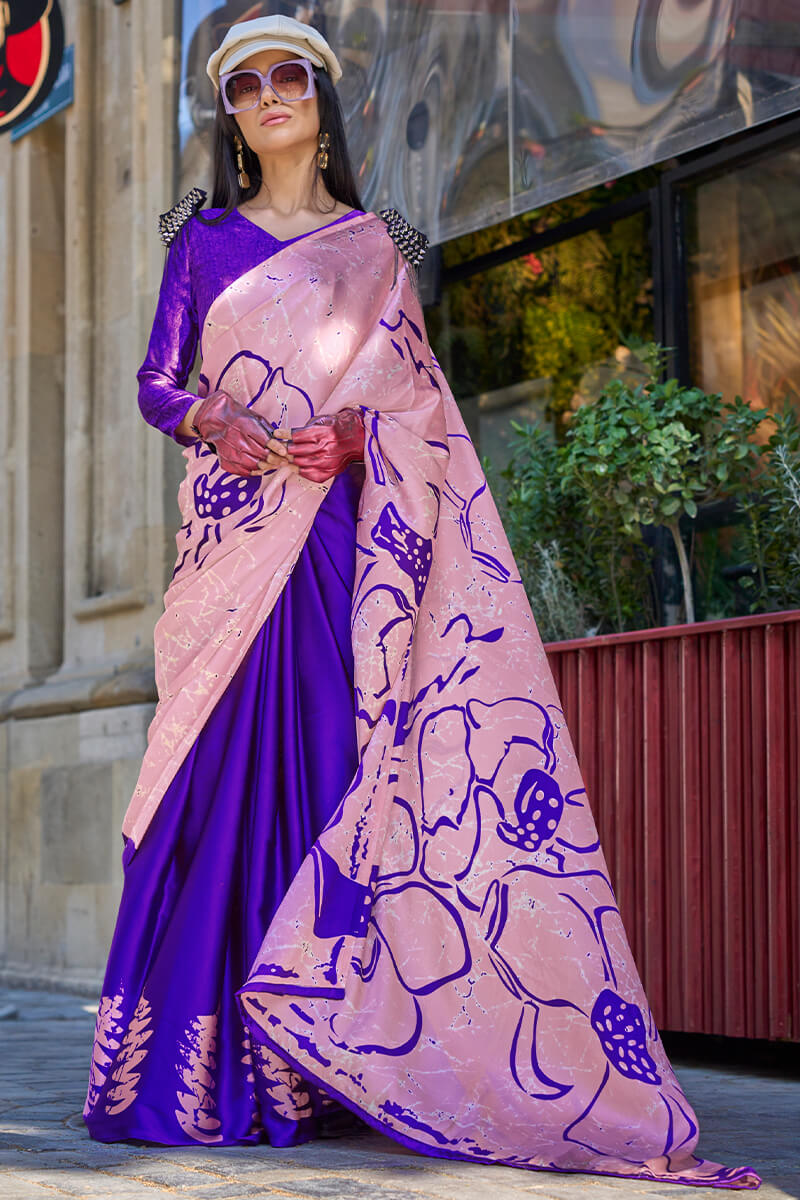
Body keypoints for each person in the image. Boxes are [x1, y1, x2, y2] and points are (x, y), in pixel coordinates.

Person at [83, 14, 760, 1188]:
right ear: (232, 118)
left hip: (342, 548)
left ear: (321, 98)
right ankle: (199, 1072)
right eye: (244, 85)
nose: (267, 95)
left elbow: (420, 402)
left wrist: (358, 432)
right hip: (238, 550)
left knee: (338, 774)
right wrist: (216, 421)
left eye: (288, 74)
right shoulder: (198, 242)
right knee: (213, 780)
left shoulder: (379, 241)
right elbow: (155, 382)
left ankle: (329, 1057)